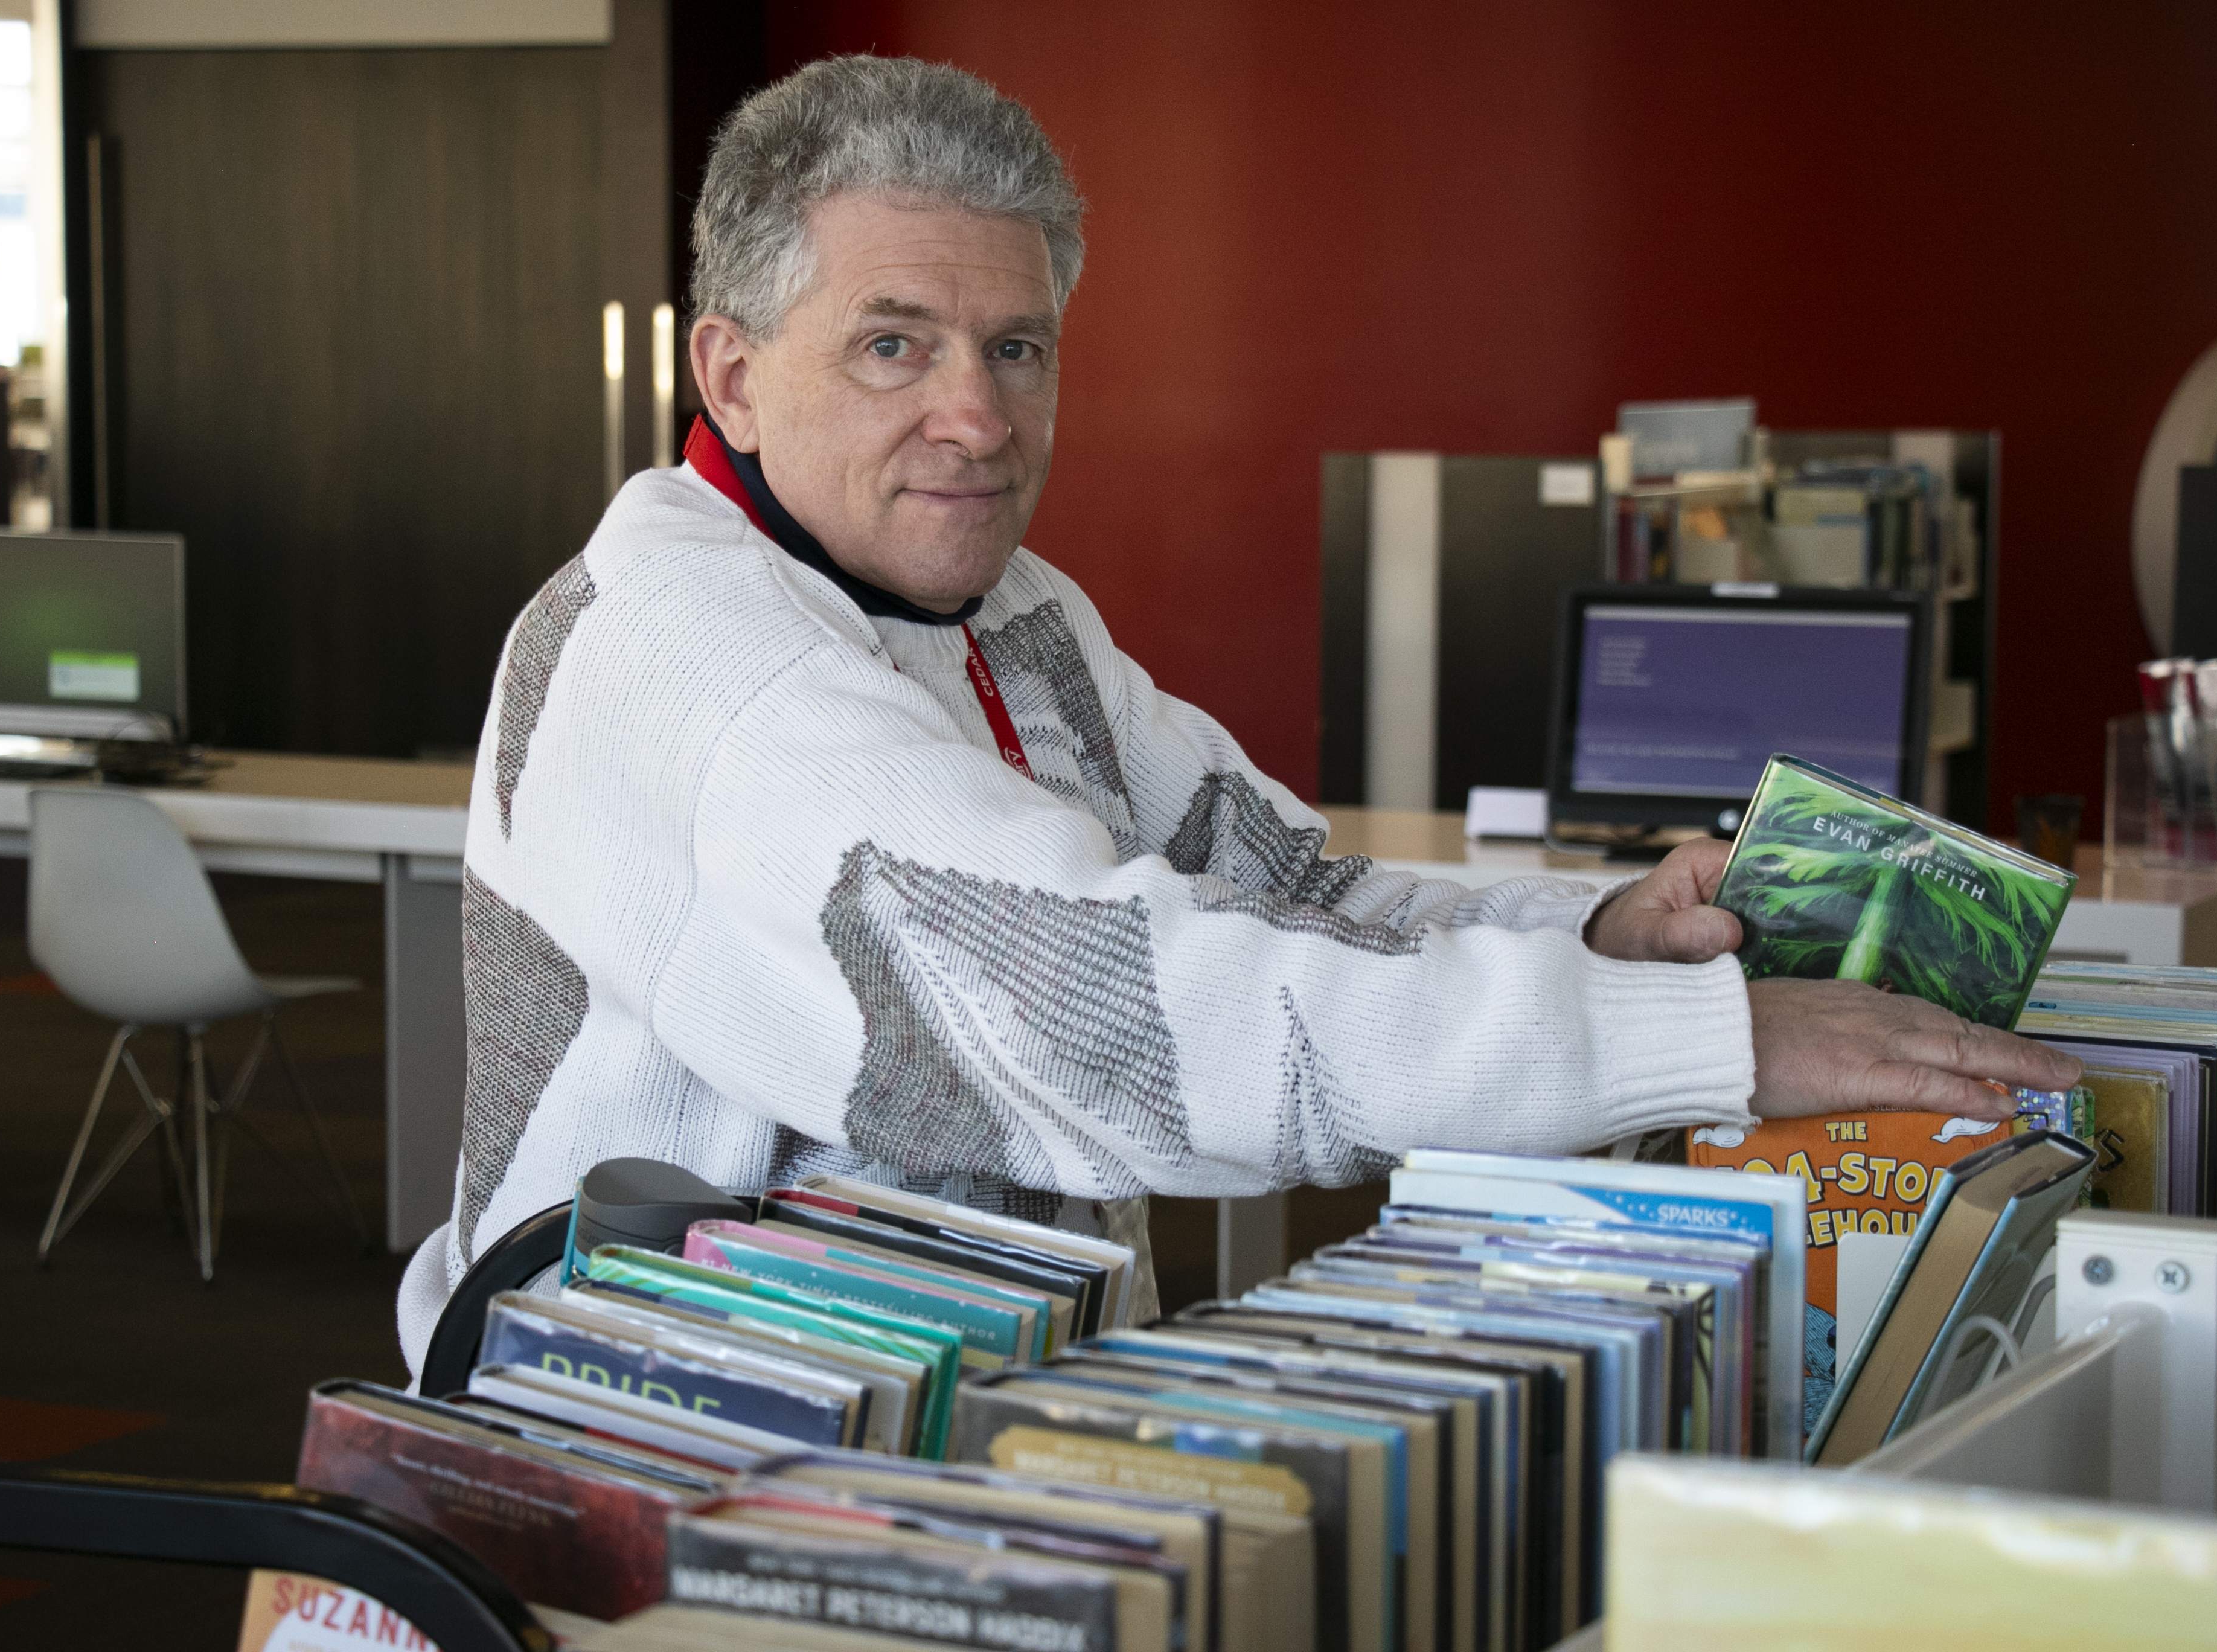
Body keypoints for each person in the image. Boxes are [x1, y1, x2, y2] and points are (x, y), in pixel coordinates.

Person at [395, 54, 2077, 1374]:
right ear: (734, 375)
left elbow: (1289, 898)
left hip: (944, 1417)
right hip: (657, 1444)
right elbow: (1125, 1027)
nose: (977, 415)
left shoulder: (1010, 612)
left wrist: (1598, 937)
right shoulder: (703, 659)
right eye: (894, 345)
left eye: (1019, 345)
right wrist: (1709, 1046)